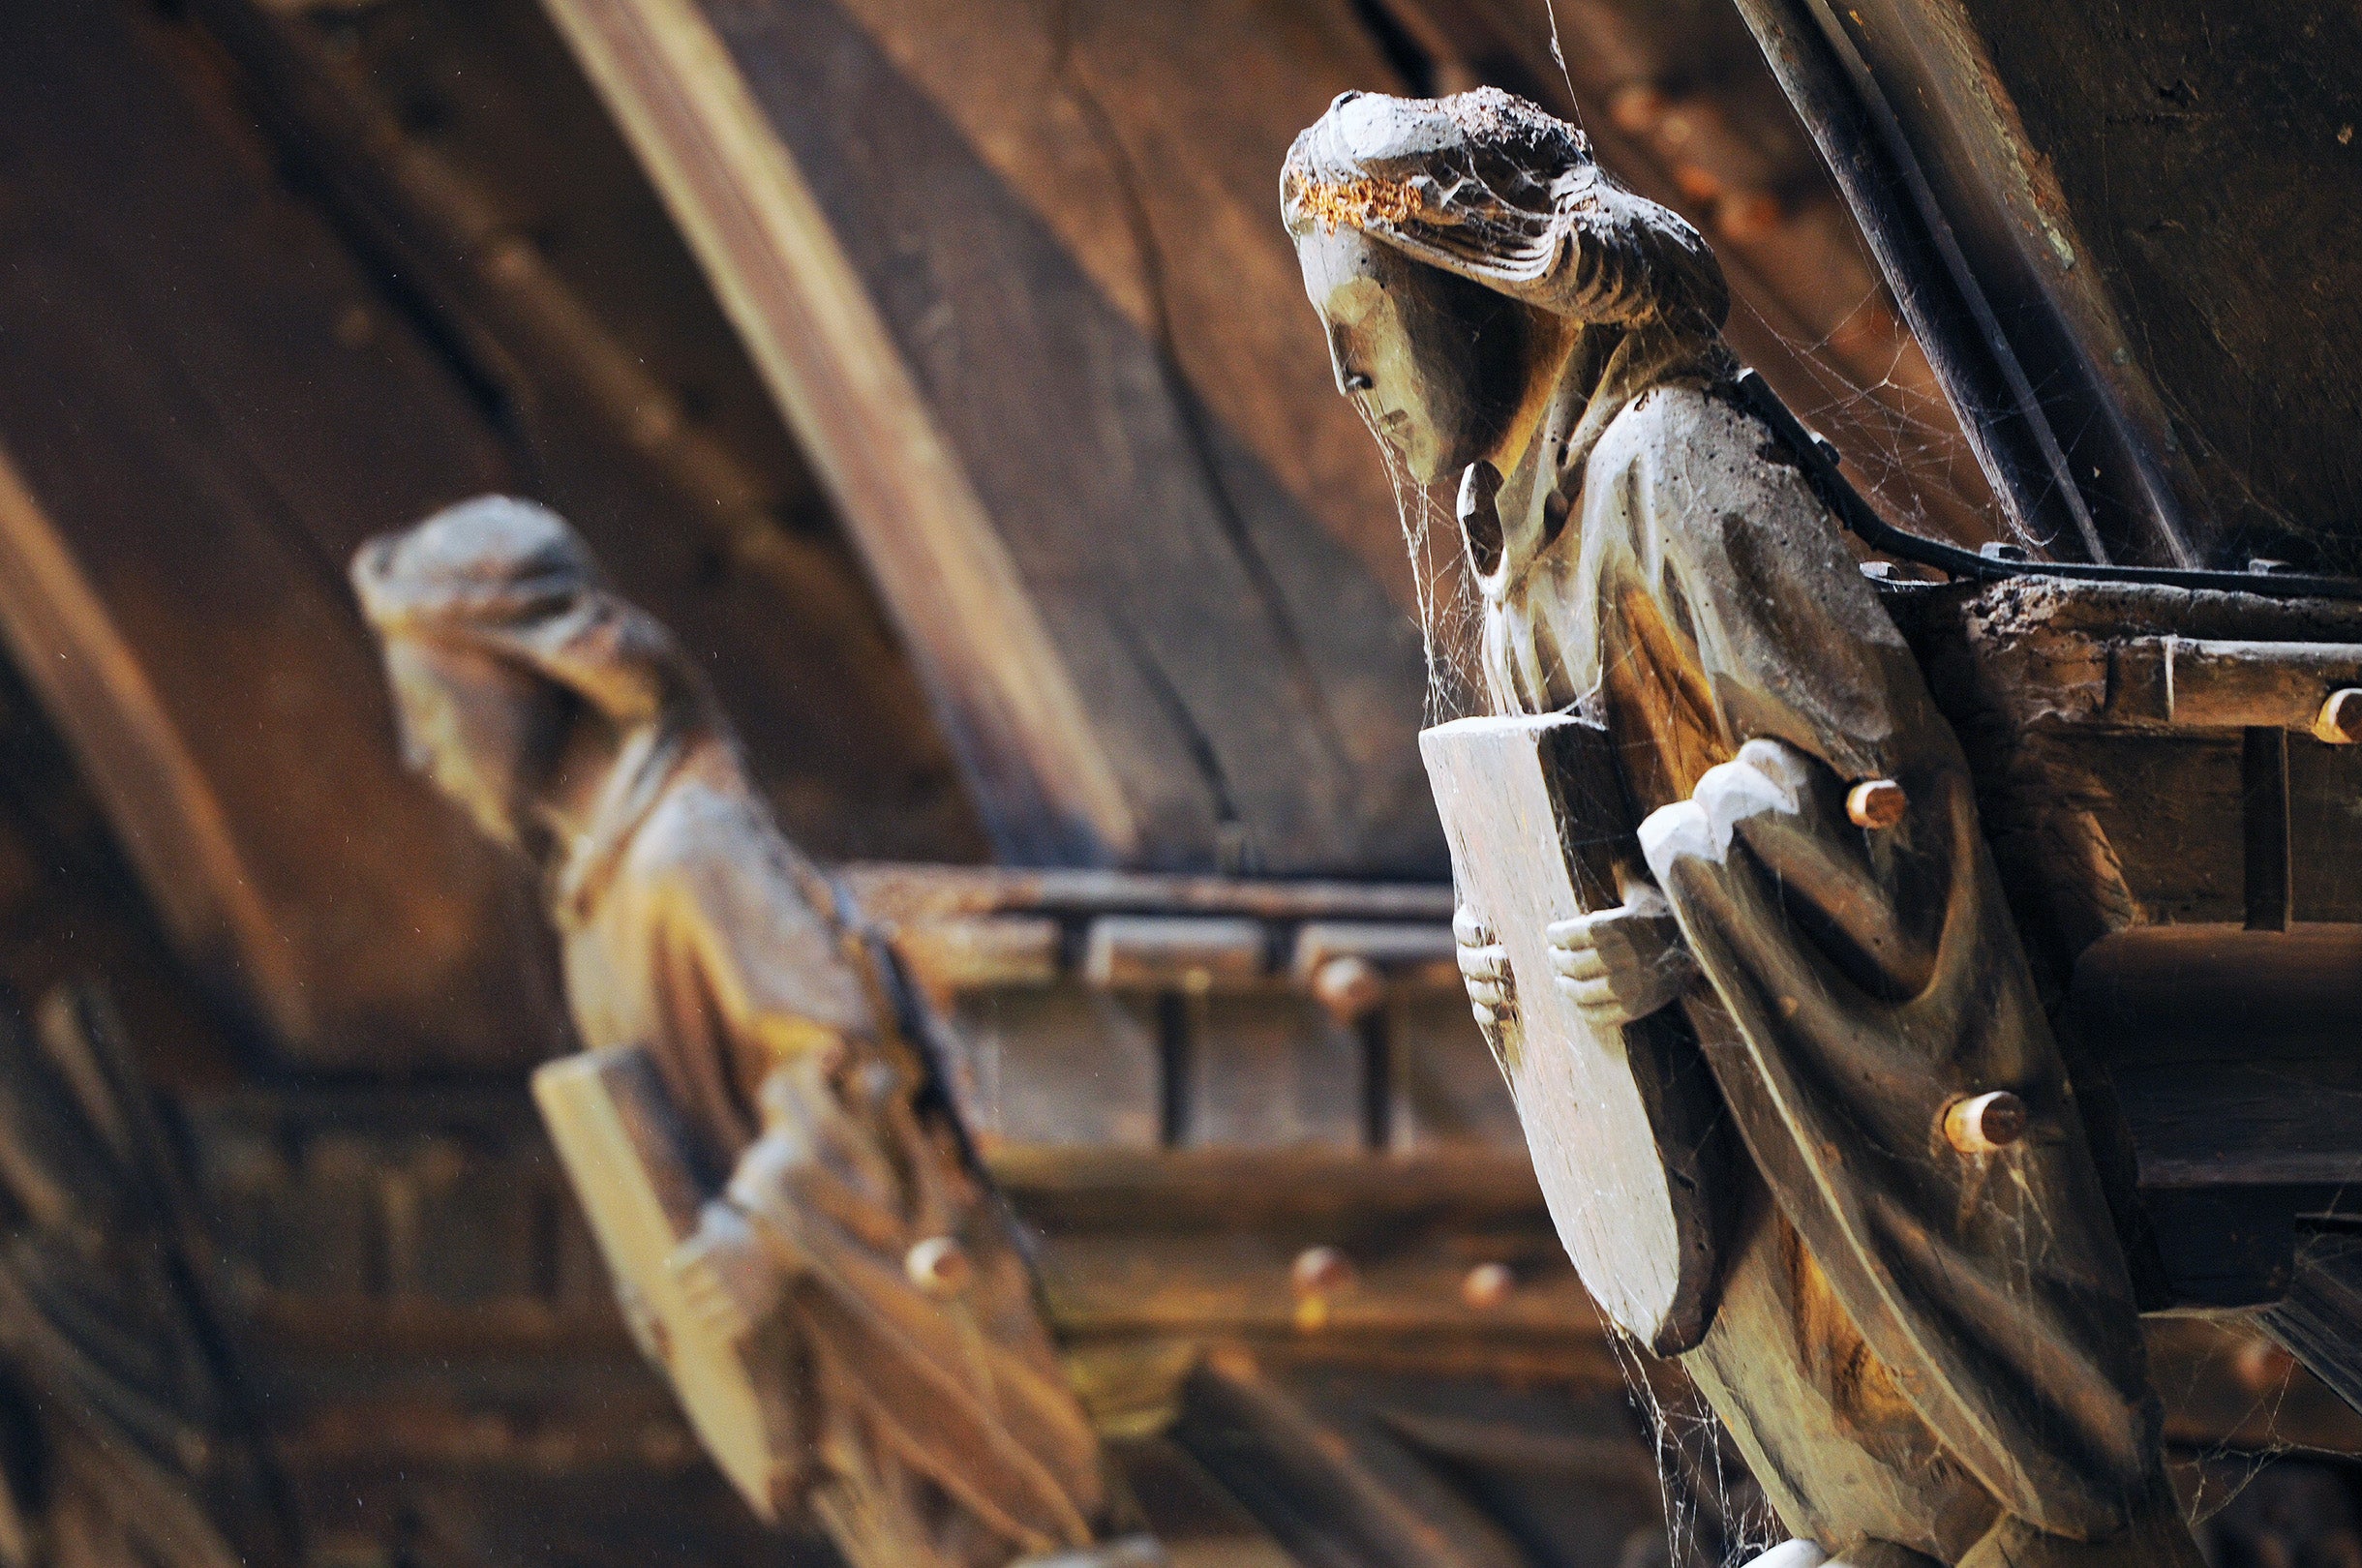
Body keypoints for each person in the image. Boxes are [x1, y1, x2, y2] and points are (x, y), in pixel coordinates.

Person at [1284, 89, 2199, 1568]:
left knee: (1981, 1512)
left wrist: (1675, 903)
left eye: (1363, 322)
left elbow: (1870, 789)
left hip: (1855, 1149)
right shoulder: (1523, 559)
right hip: (1742, 1161)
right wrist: (1505, 940)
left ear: (1474, 278)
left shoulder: (1669, 467)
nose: (1347, 380)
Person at [354, 498, 1137, 1568]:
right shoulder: (599, 895)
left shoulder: (687, 848)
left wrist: (757, 1231)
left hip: (896, 1308)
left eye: (433, 710)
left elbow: (847, 1056)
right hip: (829, 1352)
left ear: (520, 679)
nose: (418, 753)